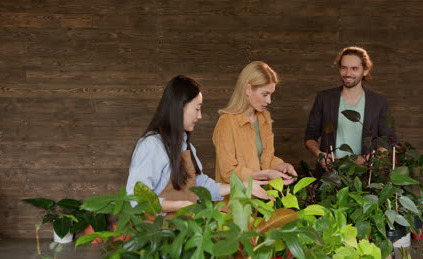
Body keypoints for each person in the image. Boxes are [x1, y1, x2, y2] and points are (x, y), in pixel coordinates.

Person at [126, 75, 270, 214]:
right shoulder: (151, 145)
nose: (199, 116)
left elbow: (200, 186)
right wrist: (182, 205)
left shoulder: (186, 147)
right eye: (196, 109)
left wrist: (242, 186)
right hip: (159, 234)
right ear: (179, 107)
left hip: (182, 232)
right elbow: (137, 199)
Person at [304, 46, 396, 177]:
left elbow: (389, 139)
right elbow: (310, 136)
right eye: (343, 67)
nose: (347, 73)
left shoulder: (379, 102)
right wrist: (319, 155)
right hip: (330, 173)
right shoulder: (324, 98)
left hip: (367, 174)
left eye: (354, 68)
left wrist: (369, 159)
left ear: (365, 70)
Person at [212, 61, 297, 197]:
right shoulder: (226, 122)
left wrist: (281, 166)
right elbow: (228, 173)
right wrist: (266, 174)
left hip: (260, 201)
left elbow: (266, 159)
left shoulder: (265, 117)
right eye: (265, 94)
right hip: (234, 206)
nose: (269, 101)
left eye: (271, 94)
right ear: (248, 89)